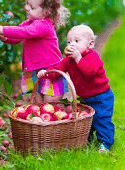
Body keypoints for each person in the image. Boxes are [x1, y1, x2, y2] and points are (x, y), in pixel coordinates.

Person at [0, 0, 70, 102]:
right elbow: (14, 39)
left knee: (50, 105)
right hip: (36, 72)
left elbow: (23, 32)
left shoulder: (43, 25)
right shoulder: (29, 22)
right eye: (27, 3)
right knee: (39, 106)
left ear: (47, 11)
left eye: (32, 7)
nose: (26, 8)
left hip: (50, 72)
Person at [37, 24, 115, 153]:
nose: (71, 44)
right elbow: (57, 70)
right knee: (86, 121)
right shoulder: (68, 60)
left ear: (90, 44)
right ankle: (86, 140)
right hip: (85, 98)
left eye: (76, 41)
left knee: (102, 120)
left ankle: (105, 143)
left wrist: (78, 57)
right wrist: (46, 72)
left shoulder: (93, 57)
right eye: (69, 41)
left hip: (102, 96)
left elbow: (89, 72)